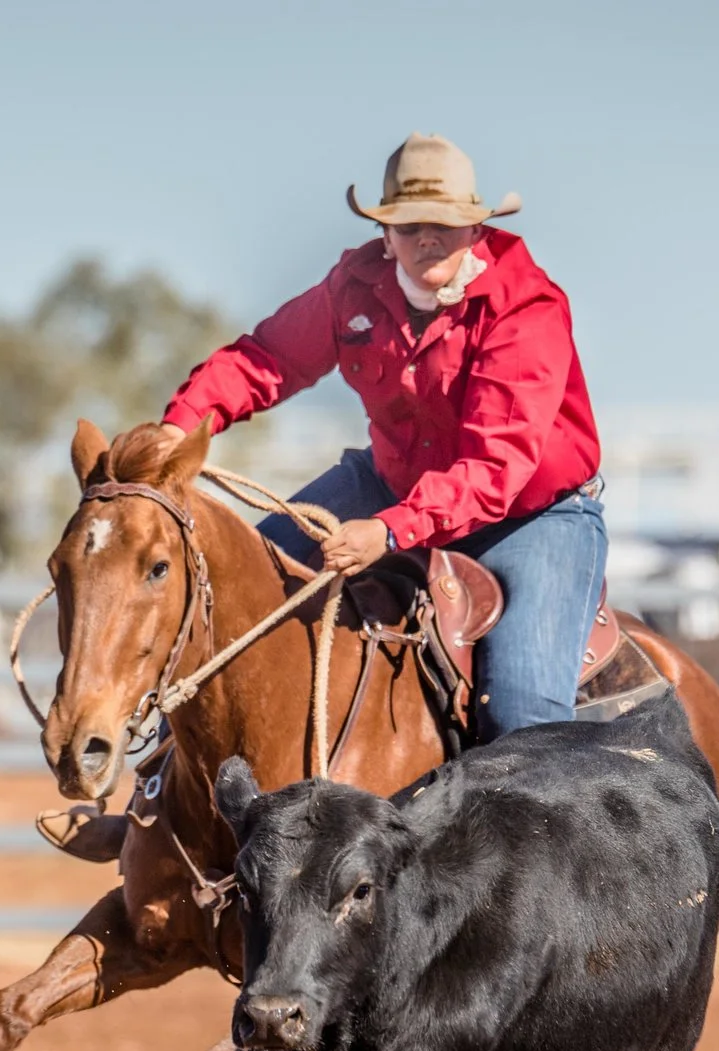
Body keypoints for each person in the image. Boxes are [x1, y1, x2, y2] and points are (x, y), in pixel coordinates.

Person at [156, 133, 605, 739]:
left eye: (445, 223)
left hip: (532, 516)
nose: (427, 238)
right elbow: (268, 358)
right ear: (385, 235)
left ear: (476, 229)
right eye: (409, 224)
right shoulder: (353, 288)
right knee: (229, 595)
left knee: (521, 715)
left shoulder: (524, 308)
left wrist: (391, 530)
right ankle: (160, 780)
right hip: (392, 482)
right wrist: (179, 428)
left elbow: (495, 469)